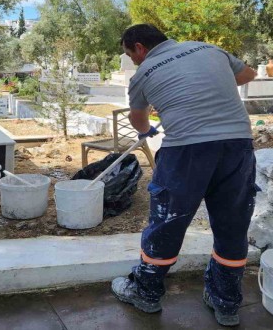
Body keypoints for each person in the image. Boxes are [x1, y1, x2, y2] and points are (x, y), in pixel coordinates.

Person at [111, 23, 259, 327]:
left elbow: (138, 118)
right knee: (233, 225)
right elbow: (248, 75)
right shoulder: (209, 49)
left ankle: (146, 293)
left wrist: (146, 131)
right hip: (237, 147)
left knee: (167, 224)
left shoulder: (143, 73)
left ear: (139, 47)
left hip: (185, 152)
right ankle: (226, 303)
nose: (133, 61)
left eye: (130, 55)